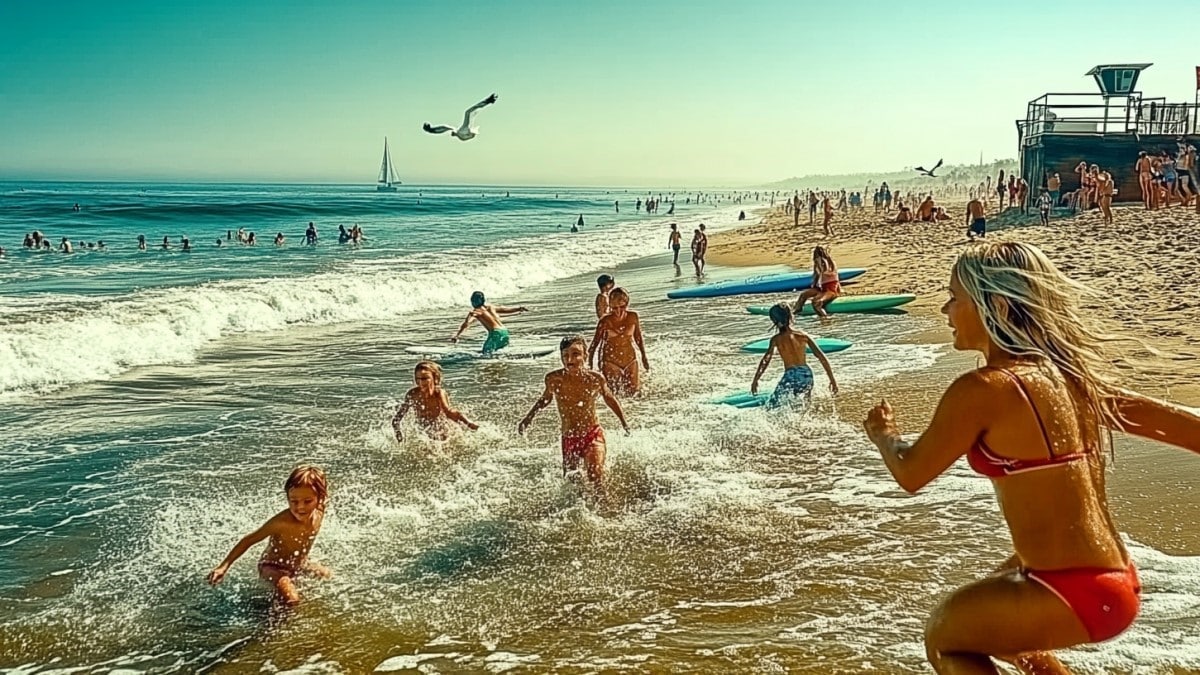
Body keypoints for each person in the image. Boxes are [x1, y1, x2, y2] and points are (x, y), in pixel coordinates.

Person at [862, 241, 1200, 673]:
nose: (946, 311)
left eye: (955, 299)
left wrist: (884, 435)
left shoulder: (983, 390)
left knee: (946, 636)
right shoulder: (1065, 376)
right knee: (1004, 634)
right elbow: (1186, 429)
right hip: (1115, 581)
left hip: (1070, 591)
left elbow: (911, 472)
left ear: (997, 308)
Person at [207, 465, 331, 605]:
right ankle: (275, 624)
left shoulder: (320, 510)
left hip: (299, 562)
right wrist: (223, 567)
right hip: (272, 566)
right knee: (292, 599)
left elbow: (326, 494)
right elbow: (249, 539)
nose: (300, 507)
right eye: (293, 501)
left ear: (320, 498)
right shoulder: (281, 522)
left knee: (327, 576)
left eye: (307, 501)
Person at [518, 336, 630, 487]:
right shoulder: (554, 379)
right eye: (565, 355)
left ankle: (606, 507)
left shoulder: (595, 379)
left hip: (592, 434)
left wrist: (624, 422)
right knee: (573, 483)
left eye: (575, 354)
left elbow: (609, 399)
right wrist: (528, 418)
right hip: (569, 437)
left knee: (595, 477)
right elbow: (545, 399)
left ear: (586, 355)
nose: (570, 359)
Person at [750, 303, 838, 408]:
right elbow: (821, 357)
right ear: (790, 316)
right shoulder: (803, 336)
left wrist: (756, 380)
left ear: (774, 321)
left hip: (791, 375)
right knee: (805, 405)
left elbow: (766, 360)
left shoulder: (776, 339)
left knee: (774, 406)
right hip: (806, 374)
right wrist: (832, 380)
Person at [392, 361, 478, 441]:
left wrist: (468, 423)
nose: (421, 382)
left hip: (442, 429)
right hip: (423, 432)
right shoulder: (412, 394)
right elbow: (397, 417)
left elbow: (449, 412)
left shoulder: (439, 393)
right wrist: (398, 432)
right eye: (418, 379)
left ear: (435, 378)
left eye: (425, 378)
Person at [588, 287, 650, 396]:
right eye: (614, 308)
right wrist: (590, 365)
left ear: (627, 303)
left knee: (635, 394)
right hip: (610, 361)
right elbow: (594, 344)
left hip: (630, 359)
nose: (618, 311)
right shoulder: (605, 321)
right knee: (615, 395)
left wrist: (644, 356)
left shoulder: (633, 317)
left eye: (622, 307)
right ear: (610, 306)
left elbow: (638, 338)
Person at [450, 291, 529, 355]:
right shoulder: (491, 307)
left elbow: (466, 323)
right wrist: (519, 308)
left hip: (496, 333)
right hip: (505, 332)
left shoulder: (476, 312)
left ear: (472, 301)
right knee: (497, 354)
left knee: (486, 354)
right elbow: (505, 309)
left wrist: (457, 335)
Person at [792, 246, 841, 317]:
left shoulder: (830, 264)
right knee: (803, 295)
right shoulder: (818, 266)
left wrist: (821, 263)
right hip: (821, 289)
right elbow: (816, 278)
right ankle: (796, 311)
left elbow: (826, 271)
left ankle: (825, 318)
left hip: (831, 290)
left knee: (817, 302)